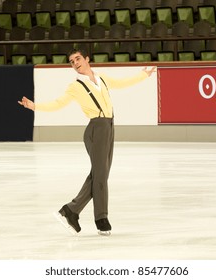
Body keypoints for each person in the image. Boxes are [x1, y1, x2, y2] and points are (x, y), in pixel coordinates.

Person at [18, 48, 156, 235]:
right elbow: (58, 103)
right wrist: (35, 106)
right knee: (100, 177)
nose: (75, 63)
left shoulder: (103, 78)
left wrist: (143, 75)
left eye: (77, 59)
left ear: (87, 59)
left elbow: (122, 83)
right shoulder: (75, 86)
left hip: (109, 126)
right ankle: (101, 219)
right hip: (95, 130)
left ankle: (71, 210)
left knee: (100, 175)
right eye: (72, 61)